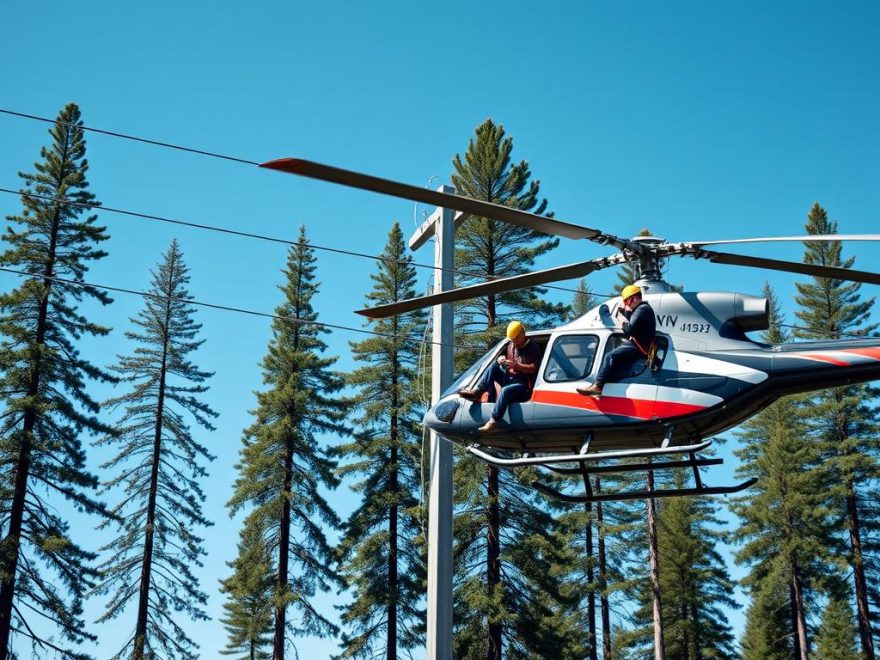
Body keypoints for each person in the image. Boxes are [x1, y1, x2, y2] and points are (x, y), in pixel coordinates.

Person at [459, 320, 543, 432]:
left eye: (516, 339)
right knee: (493, 367)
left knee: (505, 390)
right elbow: (509, 361)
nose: (514, 342)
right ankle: (478, 392)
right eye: (512, 340)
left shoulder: (533, 348)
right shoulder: (511, 346)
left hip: (523, 384)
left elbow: (533, 369)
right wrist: (501, 360)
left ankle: (493, 420)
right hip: (509, 378)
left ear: (523, 333)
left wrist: (516, 366)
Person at [577, 284, 656, 397]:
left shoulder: (642, 309)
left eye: (627, 302)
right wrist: (627, 313)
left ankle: (598, 386)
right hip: (641, 347)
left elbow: (629, 330)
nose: (627, 305)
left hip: (638, 346)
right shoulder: (643, 310)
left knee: (610, 356)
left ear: (633, 298)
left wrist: (620, 317)